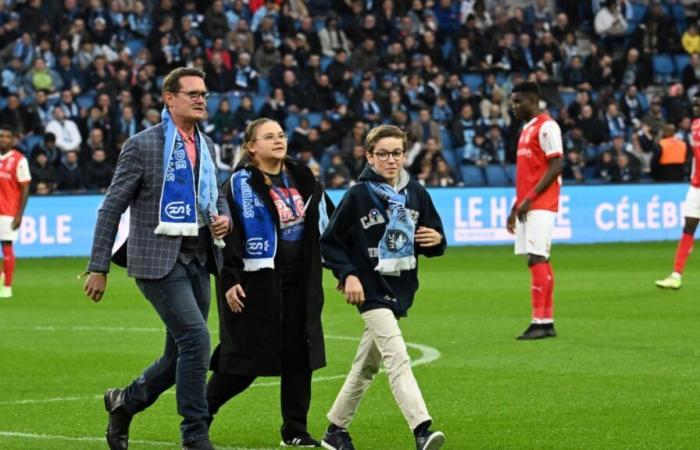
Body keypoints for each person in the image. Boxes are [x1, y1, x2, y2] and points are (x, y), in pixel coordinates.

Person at [83, 67, 231, 450]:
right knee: (197, 341)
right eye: (193, 93)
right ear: (169, 98)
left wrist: (222, 219)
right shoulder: (142, 145)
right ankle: (195, 435)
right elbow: (111, 207)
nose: (201, 99)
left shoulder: (208, 145)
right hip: (157, 260)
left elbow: (213, 196)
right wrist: (97, 266)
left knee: (177, 353)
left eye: (204, 94)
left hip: (199, 258)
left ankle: (124, 402)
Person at [206, 118, 333, 447]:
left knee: (298, 357)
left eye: (281, 135)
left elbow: (329, 225)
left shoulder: (303, 177)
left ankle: (295, 430)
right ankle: (199, 417)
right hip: (255, 283)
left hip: (300, 282)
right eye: (269, 137)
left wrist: (346, 269)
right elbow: (226, 237)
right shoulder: (237, 185)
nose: (278, 140)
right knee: (242, 362)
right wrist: (229, 279)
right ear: (251, 147)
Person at [319, 125, 447, 450]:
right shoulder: (358, 196)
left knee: (366, 367)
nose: (391, 160)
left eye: (397, 153)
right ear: (370, 156)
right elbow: (330, 243)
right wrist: (347, 274)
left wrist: (438, 241)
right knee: (397, 356)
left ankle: (335, 431)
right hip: (370, 290)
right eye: (383, 154)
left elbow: (432, 237)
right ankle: (421, 429)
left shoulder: (415, 192)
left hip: (401, 289)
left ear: (405, 154)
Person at [506, 82, 563, 340]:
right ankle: (546, 321)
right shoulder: (526, 129)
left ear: (532, 100)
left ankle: (539, 322)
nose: (513, 106)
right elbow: (528, 174)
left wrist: (529, 200)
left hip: (541, 203)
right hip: (529, 202)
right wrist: (516, 205)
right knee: (538, 258)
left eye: (518, 101)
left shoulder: (547, 126)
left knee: (537, 258)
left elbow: (557, 165)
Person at [656, 95, 700, 289]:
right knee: (688, 227)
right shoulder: (695, 126)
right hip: (696, 186)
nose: (696, 108)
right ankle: (676, 275)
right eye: (695, 105)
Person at [0, 125, 31, 299]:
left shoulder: (19, 160)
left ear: (12, 140)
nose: (3, 139)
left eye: (7, 136)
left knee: (6, 246)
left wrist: (19, 213)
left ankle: (7, 286)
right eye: (1, 136)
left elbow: (25, 187)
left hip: (8, 211)